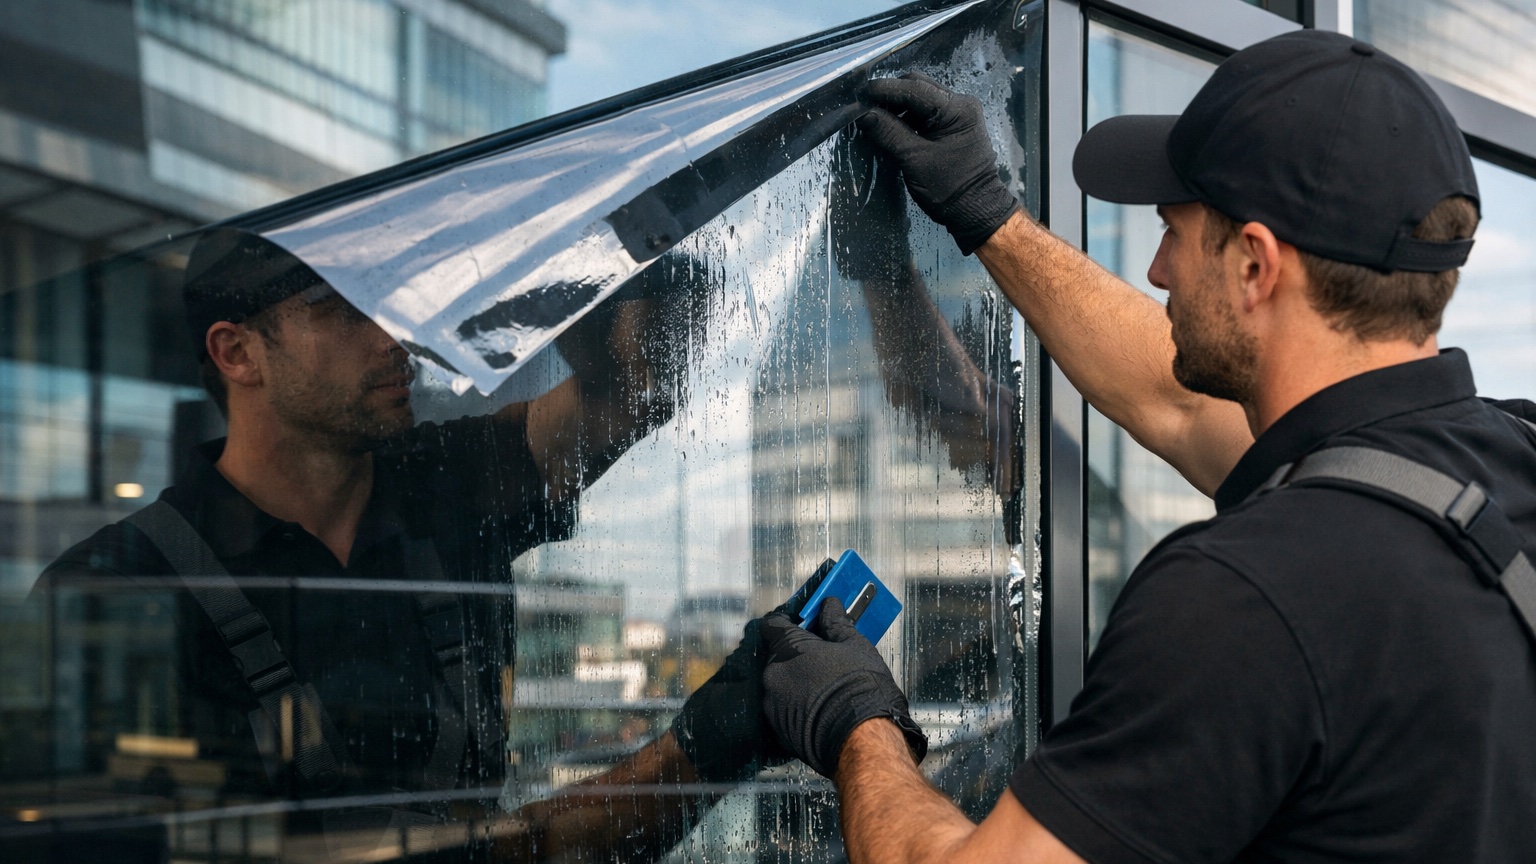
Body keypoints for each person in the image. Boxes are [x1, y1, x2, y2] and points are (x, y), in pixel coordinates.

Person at [759, 30, 1536, 863]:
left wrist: (856, 724)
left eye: (1174, 231)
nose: (1158, 270)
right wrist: (986, 212)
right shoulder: (1503, 457)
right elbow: (1167, 395)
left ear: (1255, 266)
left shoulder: (1248, 595)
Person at [33, 228, 789, 863]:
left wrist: (616, 265)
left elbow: (630, 388)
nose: (392, 338)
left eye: (389, 308)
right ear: (237, 354)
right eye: (338, 310)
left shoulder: (443, 482)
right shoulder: (117, 585)